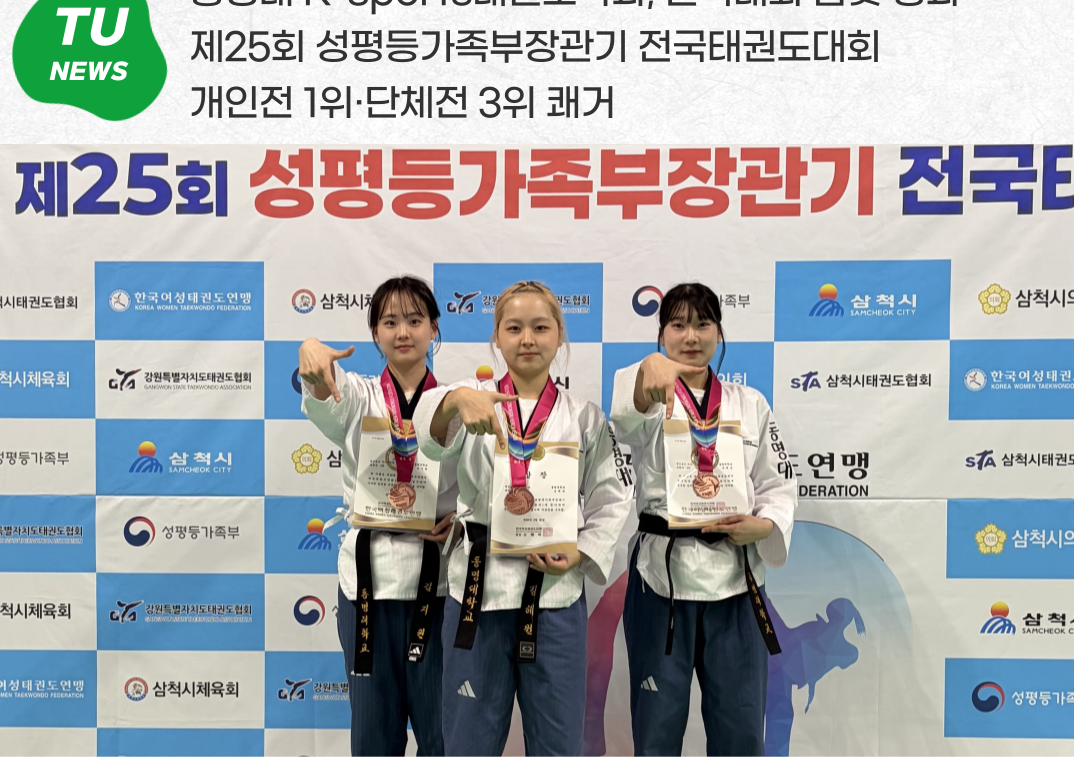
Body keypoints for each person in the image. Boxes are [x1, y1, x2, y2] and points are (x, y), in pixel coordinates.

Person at [412, 280, 632, 757]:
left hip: (555, 594)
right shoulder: (474, 401)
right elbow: (428, 439)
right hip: (478, 591)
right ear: (497, 337)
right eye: (513, 328)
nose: (527, 339)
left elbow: (614, 494)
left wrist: (584, 550)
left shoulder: (585, 417)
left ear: (559, 335)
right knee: (467, 743)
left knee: (558, 745)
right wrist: (453, 400)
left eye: (540, 327)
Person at [610, 282, 797, 757]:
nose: (691, 336)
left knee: (741, 733)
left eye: (702, 323)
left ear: (719, 332)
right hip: (661, 579)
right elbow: (623, 418)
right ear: (661, 335)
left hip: (736, 579)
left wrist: (765, 526)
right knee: (655, 731)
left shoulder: (749, 403)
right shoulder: (649, 393)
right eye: (677, 325)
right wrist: (646, 370)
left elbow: (777, 485)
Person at [299, 275, 457, 757]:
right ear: (374, 333)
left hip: (438, 583)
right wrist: (310, 353)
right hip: (367, 584)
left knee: (443, 735)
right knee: (372, 736)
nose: (403, 331)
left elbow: (479, 481)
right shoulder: (359, 395)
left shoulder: (454, 402)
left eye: (414, 320)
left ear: (434, 328)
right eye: (390, 322)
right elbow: (324, 394)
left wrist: (460, 523)